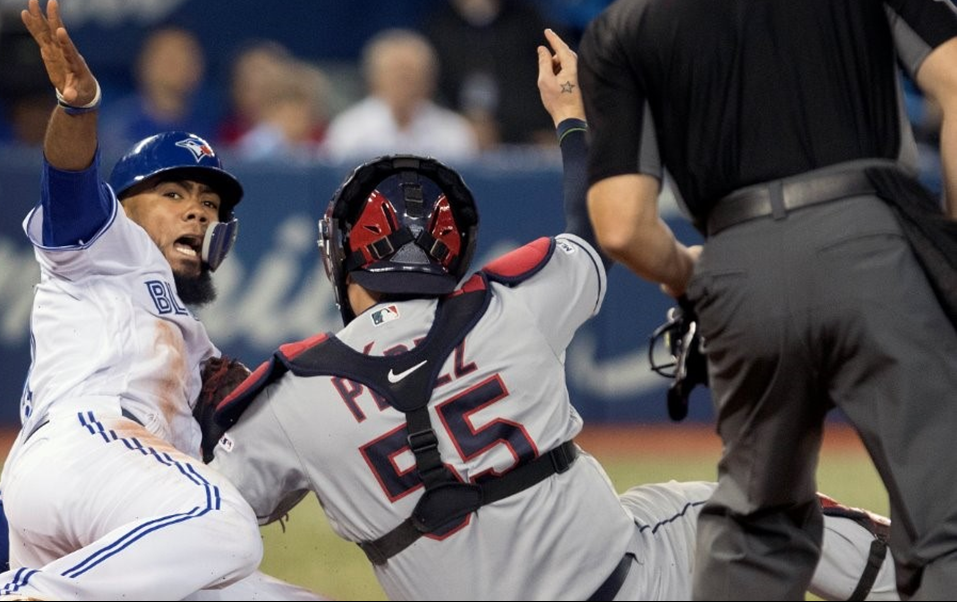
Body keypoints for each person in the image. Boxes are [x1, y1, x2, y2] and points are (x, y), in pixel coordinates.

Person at [199, 30, 898, 601]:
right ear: (453, 253)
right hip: (631, 586)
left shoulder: (290, 394)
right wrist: (570, 117)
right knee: (765, 509)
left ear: (339, 259)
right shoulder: (510, 304)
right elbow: (594, 228)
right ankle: (923, 582)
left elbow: (194, 517)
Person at [574, 0, 957, 598]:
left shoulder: (622, 25)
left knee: (756, 531)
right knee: (947, 520)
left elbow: (619, 227)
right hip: (872, 237)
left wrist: (691, 271)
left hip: (737, 262)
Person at [0, 0, 262, 601]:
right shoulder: (107, 244)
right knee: (225, 525)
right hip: (92, 443)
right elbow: (69, 181)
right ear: (121, 207)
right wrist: (77, 107)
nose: (198, 209)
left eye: (210, 204)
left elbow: (6, 529)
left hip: (86, 490)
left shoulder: (189, 341)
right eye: (173, 193)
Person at [422, 0, 556, 148]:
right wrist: (460, 128)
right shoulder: (435, 29)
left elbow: (561, 76)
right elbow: (429, 96)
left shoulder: (531, 21)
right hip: (459, 147)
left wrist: (555, 128)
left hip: (531, 145)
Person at [321, 29, 477, 163]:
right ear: (374, 80)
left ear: (430, 81)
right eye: (395, 75)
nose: (403, 85)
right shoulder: (349, 130)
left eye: (410, 76)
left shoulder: (454, 133)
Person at [101, 25, 219, 150]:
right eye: (169, 59)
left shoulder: (213, 128)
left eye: (187, 58)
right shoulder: (117, 129)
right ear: (143, 65)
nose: (180, 67)